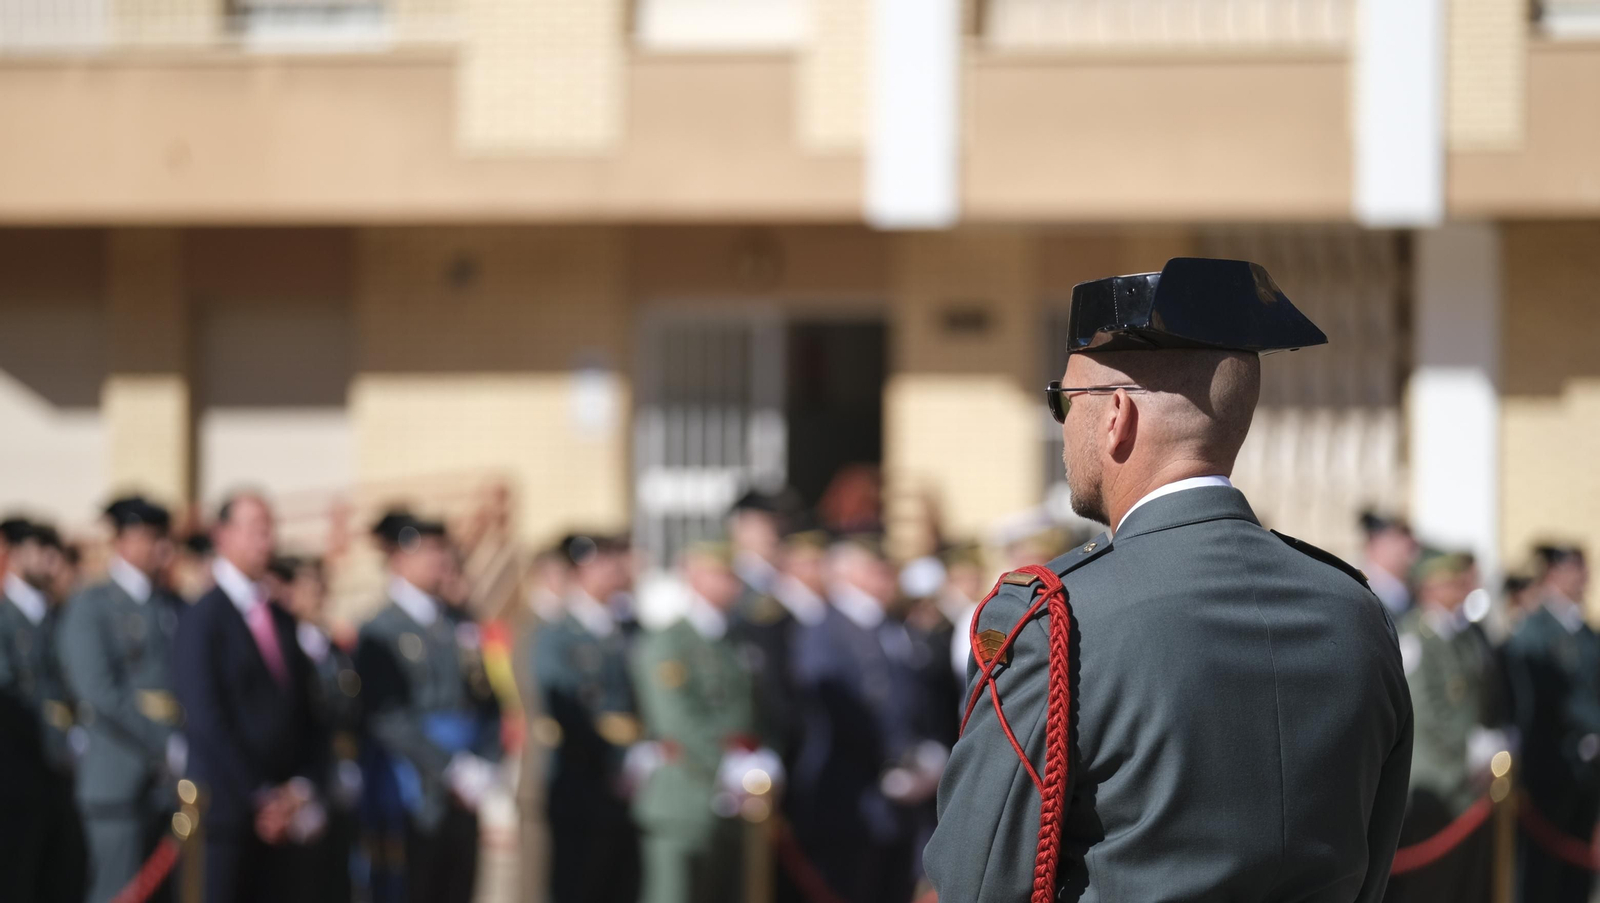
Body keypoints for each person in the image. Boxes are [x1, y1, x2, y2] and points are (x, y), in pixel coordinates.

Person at [925, 258, 1412, 902]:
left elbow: (978, 878)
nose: (1062, 424)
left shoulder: (1053, 618)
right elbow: (1373, 862)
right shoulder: (1353, 608)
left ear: (1116, 415)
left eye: (1061, 402)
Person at [172, 492, 327, 903]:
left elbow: (304, 709)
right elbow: (207, 716)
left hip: (284, 813)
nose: (266, 539)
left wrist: (300, 787)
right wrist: (259, 794)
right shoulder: (203, 618)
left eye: (270, 528)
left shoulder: (279, 616)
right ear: (222, 533)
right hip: (228, 813)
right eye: (255, 528)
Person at [792, 536, 947, 903]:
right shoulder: (825, 629)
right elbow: (837, 712)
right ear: (846, 573)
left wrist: (926, 753)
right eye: (876, 568)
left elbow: (914, 699)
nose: (887, 576)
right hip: (853, 799)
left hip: (898, 800)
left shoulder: (888, 624)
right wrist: (893, 762)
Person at [356, 514, 500, 903]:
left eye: (443, 549)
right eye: (428, 550)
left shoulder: (459, 623)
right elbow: (387, 716)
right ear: (399, 560)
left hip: (465, 787)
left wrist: (486, 761)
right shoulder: (380, 629)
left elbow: (487, 699)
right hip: (414, 789)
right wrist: (449, 768)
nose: (440, 559)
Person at [57, 497, 187, 903]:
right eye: (151, 537)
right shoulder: (92, 605)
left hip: (169, 786)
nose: (161, 548)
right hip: (119, 777)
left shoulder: (172, 605)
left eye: (163, 537)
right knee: (120, 890)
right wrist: (166, 741)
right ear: (124, 540)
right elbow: (98, 691)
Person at [633, 543, 773, 903]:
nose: (731, 584)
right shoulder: (670, 642)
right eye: (719, 574)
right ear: (692, 575)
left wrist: (765, 757)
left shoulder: (736, 640)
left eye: (733, 575)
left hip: (736, 804)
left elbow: (756, 712)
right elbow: (675, 721)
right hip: (686, 799)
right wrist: (730, 763)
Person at [1386, 551, 1509, 903]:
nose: (1461, 589)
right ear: (1429, 587)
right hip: (1434, 782)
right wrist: (1469, 750)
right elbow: (1423, 711)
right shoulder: (1415, 637)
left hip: (1469, 785)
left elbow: (1482, 698)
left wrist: (1489, 742)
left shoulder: (1466, 635)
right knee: (1430, 887)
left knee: (1467, 885)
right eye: (1452, 583)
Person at [535, 533, 642, 903]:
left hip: (632, 784)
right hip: (583, 783)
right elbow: (568, 714)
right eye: (601, 561)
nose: (614, 569)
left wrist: (642, 758)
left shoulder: (629, 629)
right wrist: (619, 761)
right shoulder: (556, 635)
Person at [0, 517, 88, 903]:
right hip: (19, 774)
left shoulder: (58, 614)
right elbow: (13, 694)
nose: (51, 562)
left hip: (62, 776)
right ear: (15, 554)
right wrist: (60, 734)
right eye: (41, 551)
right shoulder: (5, 617)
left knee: (60, 880)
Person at [1503, 544, 1597, 903]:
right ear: (1554, 573)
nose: (1582, 575)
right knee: (1542, 877)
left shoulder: (1583, 629)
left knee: (1576, 877)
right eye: (1573, 567)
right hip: (1551, 767)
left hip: (1584, 770)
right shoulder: (1535, 630)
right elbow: (1543, 701)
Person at [277, 556, 363, 903]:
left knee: (337, 882)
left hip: (335, 775)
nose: (316, 595)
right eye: (307, 586)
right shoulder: (286, 648)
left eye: (319, 586)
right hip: (302, 784)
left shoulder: (329, 647)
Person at [1362, 510, 1420, 617]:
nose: (1409, 544)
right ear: (1375, 544)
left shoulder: (1412, 590)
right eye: (1397, 538)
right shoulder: (1362, 589)